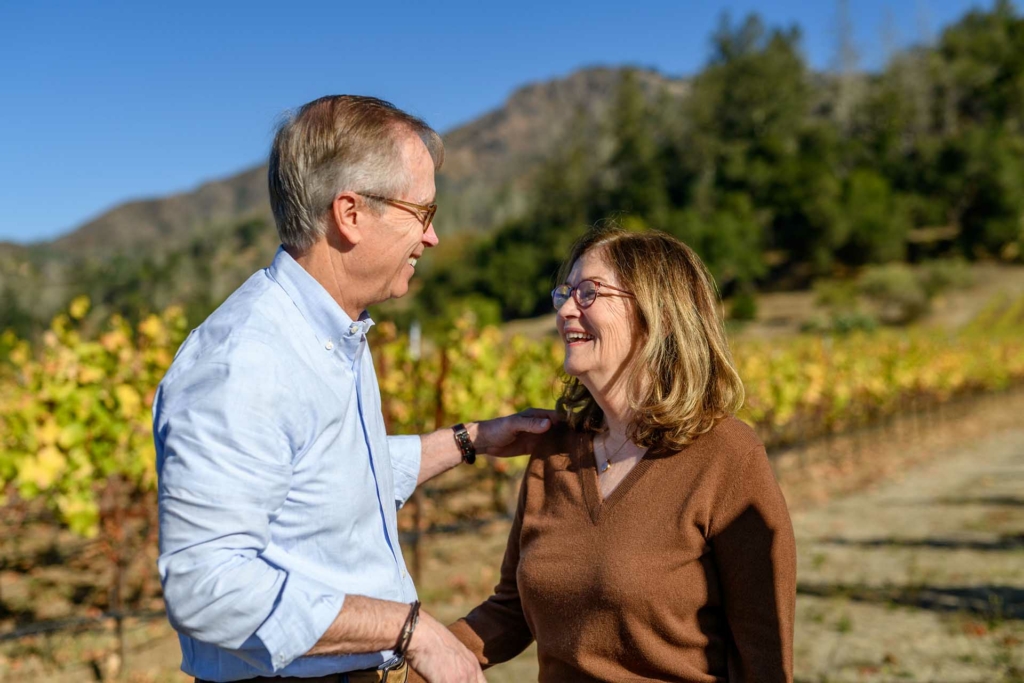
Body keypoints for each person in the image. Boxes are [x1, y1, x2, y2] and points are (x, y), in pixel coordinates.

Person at [152, 95, 553, 683]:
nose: (433, 236)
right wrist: (406, 628)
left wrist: (474, 440)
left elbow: (327, 483)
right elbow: (205, 585)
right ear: (351, 213)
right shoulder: (247, 360)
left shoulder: (327, 333)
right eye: (423, 210)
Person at [427, 226, 797, 682]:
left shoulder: (727, 456)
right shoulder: (555, 451)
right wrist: (415, 659)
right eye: (565, 293)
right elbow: (512, 611)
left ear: (655, 312)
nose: (564, 310)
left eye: (588, 293)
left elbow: (763, 657)